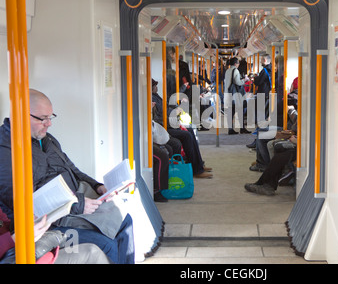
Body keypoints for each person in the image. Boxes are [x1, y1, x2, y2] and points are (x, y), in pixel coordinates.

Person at [0, 89, 135, 264]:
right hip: (53, 222)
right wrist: (78, 204)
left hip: (76, 205)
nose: (49, 124)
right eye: (43, 118)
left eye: (51, 117)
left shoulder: (47, 140)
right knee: (106, 243)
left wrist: (96, 186)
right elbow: (23, 202)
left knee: (126, 221)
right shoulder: (5, 152)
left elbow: (72, 169)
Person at [152, 79, 213, 178]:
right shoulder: (152, 98)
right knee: (187, 135)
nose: (157, 87)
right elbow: (159, 119)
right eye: (155, 85)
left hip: (167, 124)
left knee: (190, 131)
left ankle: (198, 164)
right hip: (163, 128)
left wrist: (175, 111)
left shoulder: (156, 96)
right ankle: (196, 170)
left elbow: (165, 110)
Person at [0, 211, 111, 264]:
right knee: (95, 250)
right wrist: (15, 238)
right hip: (16, 253)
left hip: (25, 246)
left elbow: (5, 222)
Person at [224, 57, 251, 135]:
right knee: (240, 110)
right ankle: (242, 128)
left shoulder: (227, 71)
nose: (239, 64)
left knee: (231, 112)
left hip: (228, 93)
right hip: (235, 94)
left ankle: (230, 129)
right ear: (235, 64)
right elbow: (238, 82)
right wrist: (245, 80)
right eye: (238, 63)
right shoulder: (235, 70)